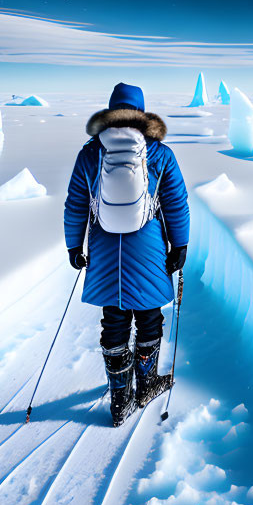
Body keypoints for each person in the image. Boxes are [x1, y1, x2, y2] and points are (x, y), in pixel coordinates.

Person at [64, 82, 190, 426]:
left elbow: (76, 205)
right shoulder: (160, 153)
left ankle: (120, 400)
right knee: (149, 316)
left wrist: (74, 246)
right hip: (148, 248)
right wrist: (179, 245)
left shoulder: (91, 153)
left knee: (115, 319)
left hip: (105, 251)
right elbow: (176, 203)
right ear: (141, 112)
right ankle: (146, 383)